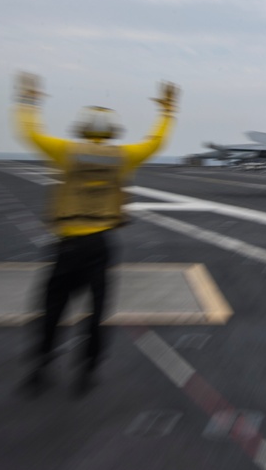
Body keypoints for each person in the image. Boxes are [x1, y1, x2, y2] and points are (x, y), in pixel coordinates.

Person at [14, 72, 179, 396]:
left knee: (52, 309)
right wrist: (167, 111)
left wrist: (28, 100)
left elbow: (30, 132)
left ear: (83, 129)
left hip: (67, 245)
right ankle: (87, 373)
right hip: (100, 245)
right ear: (112, 132)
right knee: (97, 311)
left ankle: (41, 368)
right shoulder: (123, 157)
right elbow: (157, 142)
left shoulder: (66, 152)